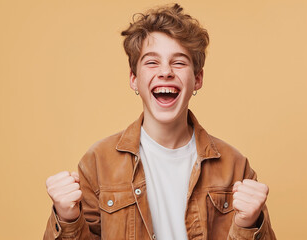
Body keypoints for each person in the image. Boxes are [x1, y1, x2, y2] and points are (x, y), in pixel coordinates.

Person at [43, 3, 276, 240]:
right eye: (152, 62)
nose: (165, 72)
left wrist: (249, 224)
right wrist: (67, 218)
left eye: (179, 62)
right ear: (134, 79)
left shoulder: (235, 167)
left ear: (197, 78)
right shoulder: (98, 163)